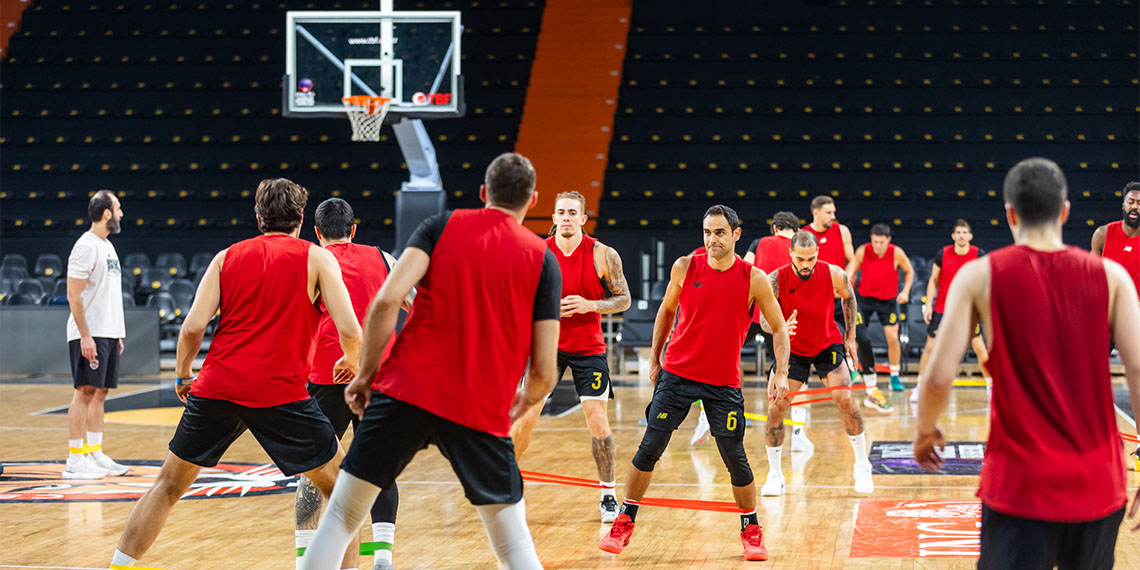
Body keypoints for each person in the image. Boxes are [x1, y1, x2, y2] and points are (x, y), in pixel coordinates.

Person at [298, 153, 560, 570]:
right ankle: (383, 555)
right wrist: (524, 403)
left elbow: (386, 302)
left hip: (405, 390)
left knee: (342, 517)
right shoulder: (542, 258)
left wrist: (365, 375)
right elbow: (545, 370)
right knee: (513, 546)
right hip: (479, 405)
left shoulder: (439, 226)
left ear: (482, 193)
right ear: (533, 201)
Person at [109, 179, 363, 570]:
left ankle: (119, 565)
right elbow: (350, 328)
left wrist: (182, 376)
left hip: (217, 388)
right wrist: (350, 359)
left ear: (258, 217)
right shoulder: (317, 258)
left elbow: (193, 327)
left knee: (168, 485)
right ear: (300, 218)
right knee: (344, 494)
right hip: (280, 394)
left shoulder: (225, 257)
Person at [914, 157, 1140, 569]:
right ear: (1065, 210)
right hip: (1098, 482)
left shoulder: (979, 275)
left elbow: (936, 378)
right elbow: (1139, 371)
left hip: (1019, 484)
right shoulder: (1113, 278)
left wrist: (924, 431)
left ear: (1010, 213)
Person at [599, 205, 791, 562]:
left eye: (719, 232)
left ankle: (750, 530)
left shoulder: (754, 278)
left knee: (735, 457)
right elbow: (666, 311)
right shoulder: (685, 267)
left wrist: (781, 372)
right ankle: (624, 519)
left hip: (723, 382)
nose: (711, 239)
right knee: (650, 447)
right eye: (706, 232)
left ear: (736, 234)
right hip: (678, 374)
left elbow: (779, 327)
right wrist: (655, 358)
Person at [295, 198, 406, 570]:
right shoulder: (385, 258)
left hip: (327, 375)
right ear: (353, 229)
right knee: (379, 465)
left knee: (314, 468)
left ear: (317, 232)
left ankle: (304, 560)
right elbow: (418, 304)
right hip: (379, 375)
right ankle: (383, 558)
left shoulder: (310, 261)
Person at [510, 190, 631, 524]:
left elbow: (624, 299)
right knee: (525, 418)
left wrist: (591, 305)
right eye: (560, 212)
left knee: (597, 419)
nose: (565, 217)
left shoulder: (603, 254)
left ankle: (608, 493)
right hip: (547, 345)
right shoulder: (536, 252)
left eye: (571, 213)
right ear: (553, 218)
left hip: (589, 348)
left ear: (582, 219)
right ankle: (510, 488)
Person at [758, 230, 874, 496]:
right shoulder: (775, 279)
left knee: (844, 398)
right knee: (776, 406)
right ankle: (775, 474)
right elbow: (763, 319)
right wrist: (778, 326)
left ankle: (861, 464)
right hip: (792, 349)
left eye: (811, 258)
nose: (806, 264)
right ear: (791, 254)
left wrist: (850, 337)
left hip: (826, 344)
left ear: (817, 254)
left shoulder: (833, 273)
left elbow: (849, 296)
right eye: (800, 259)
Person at [693, 211, 812, 452]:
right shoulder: (801, 252)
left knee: (722, 361)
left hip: (750, 310)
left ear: (775, 229)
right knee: (793, 373)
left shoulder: (759, 243)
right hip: (782, 318)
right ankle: (798, 432)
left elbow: (742, 270)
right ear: (795, 231)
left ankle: (705, 419)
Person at [64, 190, 128, 479]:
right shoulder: (86, 246)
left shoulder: (107, 246)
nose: (121, 214)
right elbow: (73, 296)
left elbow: (107, 294)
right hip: (88, 333)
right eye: (118, 208)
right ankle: (75, 460)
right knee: (84, 392)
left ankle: (95, 453)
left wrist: (116, 333)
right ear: (106, 214)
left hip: (108, 332)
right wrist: (85, 335)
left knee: (100, 394)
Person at [912, 219, 991, 404]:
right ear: (953, 236)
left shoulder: (979, 254)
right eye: (959, 232)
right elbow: (933, 280)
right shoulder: (943, 253)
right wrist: (929, 305)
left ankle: (991, 387)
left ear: (970, 236)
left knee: (979, 347)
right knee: (930, 347)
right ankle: (919, 387)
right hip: (942, 308)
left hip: (968, 309)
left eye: (965, 232)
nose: (962, 236)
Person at [847, 224, 915, 404]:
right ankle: (854, 372)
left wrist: (906, 291)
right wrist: (848, 289)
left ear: (888, 240)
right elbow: (850, 271)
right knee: (854, 334)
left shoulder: (897, 253)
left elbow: (909, 271)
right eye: (875, 241)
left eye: (881, 242)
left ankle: (894, 377)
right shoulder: (863, 251)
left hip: (888, 301)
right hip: (865, 300)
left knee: (893, 337)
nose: (878, 245)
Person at [1091, 181, 1140, 304]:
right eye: (1130, 202)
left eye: (1139, 203)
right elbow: (1090, 277)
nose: (1134, 206)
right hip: (1107, 310)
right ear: (1123, 205)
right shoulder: (1102, 234)